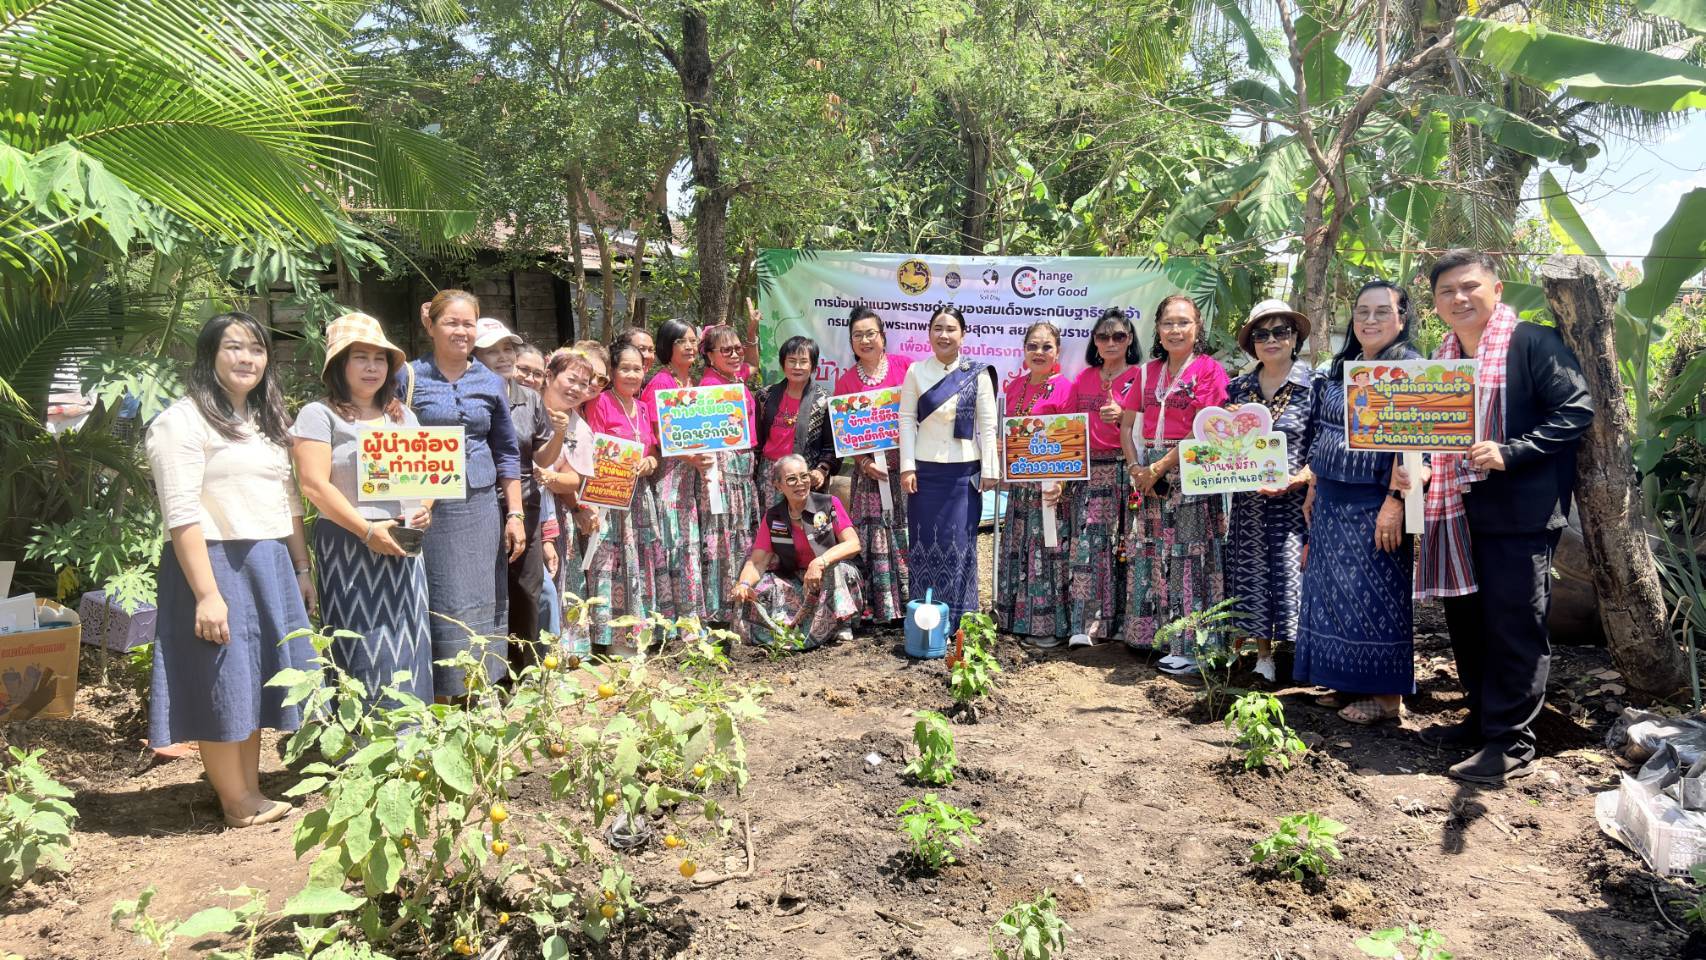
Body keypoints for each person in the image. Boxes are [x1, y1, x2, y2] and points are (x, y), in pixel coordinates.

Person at [1417, 250, 1593, 784]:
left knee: (1515, 624)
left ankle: (1512, 742)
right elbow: (1425, 431)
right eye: (1447, 291)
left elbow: (1576, 410)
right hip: (1455, 510)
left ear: (1496, 290)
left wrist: (1511, 451)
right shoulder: (1442, 360)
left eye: (1470, 286)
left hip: (1521, 513)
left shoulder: (1532, 343)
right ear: (1436, 303)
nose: (1459, 298)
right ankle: (1482, 719)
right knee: (1468, 622)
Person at [144, 312, 317, 828]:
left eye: (257, 349)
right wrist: (206, 593)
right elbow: (181, 514)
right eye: (234, 347)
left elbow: (289, 501)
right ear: (210, 356)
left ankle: (250, 788)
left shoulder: (265, 422)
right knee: (221, 676)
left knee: (255, 675)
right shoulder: (181, 422)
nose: (247, 359)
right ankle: (235, 800)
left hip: (268, 561)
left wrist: (301, 567)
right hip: (213, 562)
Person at [1293, 281, 1423, 724]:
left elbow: (1414, 446)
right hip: (1331, 498)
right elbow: (1323, 431)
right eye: (1362, 311)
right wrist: (1314, 485)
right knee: (1334, 594)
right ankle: (1347, 682)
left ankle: (1385, 699)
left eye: (1382, 311)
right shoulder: (1344, 365)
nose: (1370, 320)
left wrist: (1394, 502)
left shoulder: (1409, 369)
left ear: (1402, 318)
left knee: (1374, 596)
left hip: (1374, 501)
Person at [291, 313, 433, 710]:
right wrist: (367, 531)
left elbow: (427, 475)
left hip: (403, 541)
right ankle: (359, 735)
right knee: (359, 640)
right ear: (339, 364)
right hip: (348, 543)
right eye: (361, 358)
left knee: (409, 635)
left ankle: (411, 731)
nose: (372, 367)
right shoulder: (319, 414)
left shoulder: (402, 415)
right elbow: (314, 485)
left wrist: (424, 508)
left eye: (379, 358)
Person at [402, 291, 525, 697]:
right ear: (431, 325)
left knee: (482, 594)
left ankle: (480, 687)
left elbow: (506, 452)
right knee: (438, 595)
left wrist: (515, 514)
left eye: (468, 323)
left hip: (480, 505)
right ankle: (438, 691)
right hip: (428, 509)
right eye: (451, 322)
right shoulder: (408, 377)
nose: (461, 331)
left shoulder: (490, 381)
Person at [1119, 295, 1230, 673]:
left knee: (1189, 558)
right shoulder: (1146, 372)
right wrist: (1136, 467)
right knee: (1151, 553)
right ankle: (1154, 637)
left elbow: (1207, 429)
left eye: (1184, 322)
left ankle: (1193, 648)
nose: (1175, 330)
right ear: (1158, 329)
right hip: (1149, 475)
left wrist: (1159, 466)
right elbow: (1127, 425)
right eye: (1168, 323)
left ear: (1198, 327)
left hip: (1192, 474)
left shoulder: (1210, 370)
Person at [1224, 300, 1317, 684]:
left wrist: (1301, 478)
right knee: (1253, 578)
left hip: (1298, 503)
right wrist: (1226, 430)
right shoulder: (1237, 389)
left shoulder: (1315, 386)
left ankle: (1304, 656)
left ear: (1294, 338)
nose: (1272, 340)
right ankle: (1263, 656)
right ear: (1252, 344)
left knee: (1297, 577)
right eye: (1262, 334)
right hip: (1250, 503)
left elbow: (1323, 442)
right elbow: (1222, 448)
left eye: (1281, 332)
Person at [473, 319, 568, 667]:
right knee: (485, 590)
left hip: (525, 506)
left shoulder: (529, 398)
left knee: (527, 589)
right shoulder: (467, 395)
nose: (503, 357)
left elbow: (541, 457)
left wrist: (559, 433)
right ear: (474, 356)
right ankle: (486, 670)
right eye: (492, 351)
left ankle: (524, 670)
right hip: (478, 506)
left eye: (507, 349)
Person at [899, 306, 999, 628]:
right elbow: (906, 420)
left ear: (963, 335)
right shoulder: (916, 371)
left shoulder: (978, 373)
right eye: (938, 328)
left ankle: (960, 622)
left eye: (951, 329)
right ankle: (923, 622)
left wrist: (991, 469)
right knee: (924, 545)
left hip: (963, 474)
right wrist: (907, 466)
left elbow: (988, 425)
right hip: (924, 475)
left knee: (960, 547)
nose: (944, 335)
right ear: (929, 334)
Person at [1061, 307, 1143, 646]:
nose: (1111, 342)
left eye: (1118, 336)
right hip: (1088, 471)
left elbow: (1152, 425)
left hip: (1127, 470)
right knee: (1088, 546)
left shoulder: (1141, 377)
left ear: (1129, 340)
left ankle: (1123, 625)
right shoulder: (1084, 378)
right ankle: (1085, 626)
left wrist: (1123, 415)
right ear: (1095, 342)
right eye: (1103, 336)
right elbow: (1066, 425)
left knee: (1127, 545)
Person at [582, 339, 670, 654]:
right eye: (625, 369)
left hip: (640, 498)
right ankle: (611, 641)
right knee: (610, 563)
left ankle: (641, 633)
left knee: (642, 562)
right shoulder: (601, 403)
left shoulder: (643, 407)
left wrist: (651, 463)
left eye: (638, 369)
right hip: (608, 497)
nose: (633, 375)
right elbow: (591, 450)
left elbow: (653, 450)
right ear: (613, 371)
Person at [832, 306, 912, 627]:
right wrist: (863, 462)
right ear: (851, 342)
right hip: (868, 477)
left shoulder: (906, 368)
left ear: (882, 336)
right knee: (874, 536)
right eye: (858, 335)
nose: (865, 340)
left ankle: (910, 602)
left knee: (906, 532)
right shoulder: (846, 383)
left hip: (905, 472)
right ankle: (878, 608)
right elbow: (844, 435)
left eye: (870, 334)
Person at [732, 455, 864, 648]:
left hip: (832, 575)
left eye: (804, 476)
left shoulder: (828, 504)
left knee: (837, 570)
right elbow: (757, 562)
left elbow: (853, 544)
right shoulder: (774, 517)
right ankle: (788, 629)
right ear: (778, 485)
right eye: (792, 479)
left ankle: (840, 623)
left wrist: (820, 562)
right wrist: (743, 584)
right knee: (759, 587)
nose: (800, 483)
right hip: (797, 580)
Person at [994, 322, 1073, 644]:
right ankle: (1014, 621)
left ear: (1057, 352)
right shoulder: (1015, 387)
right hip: (1019, 487)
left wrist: (1060, 483)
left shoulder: (1066, 389)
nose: (1039, 352)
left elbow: (1072, 441)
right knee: (1018, 549)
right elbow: (1010, 433)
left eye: (1046, 347)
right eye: (1033, 346)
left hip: (1048, 486)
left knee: (1045, 553)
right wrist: (1001, 447)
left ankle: (1047, 627)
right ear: (1024, 350)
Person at [640, 319, 708, 619]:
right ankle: (674, 617)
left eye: (693, 340)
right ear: (668, 346)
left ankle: (690, 614)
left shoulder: (693, 382)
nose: (690, 346)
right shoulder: (661, 383)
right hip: (669, 475)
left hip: (691, 477)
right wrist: (690, 457)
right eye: (682, 341)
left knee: (688, 543)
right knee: (672, 543)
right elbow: (658, 436)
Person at [697, 323, 762, 624]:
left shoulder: (734, 377)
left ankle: (740, 597)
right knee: (723, 534)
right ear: (710, 356)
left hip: (743, 467)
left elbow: (753, 364)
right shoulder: (709, 387)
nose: (735, 355)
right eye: (727, 350)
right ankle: (719, 608)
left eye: (738, 349)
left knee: (740, 532)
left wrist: (752, 333)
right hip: (723, 468)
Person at [754, 335, 838, 506]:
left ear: (813, 366)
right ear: (783, 364)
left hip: (805, 477)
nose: (797, 367)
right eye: (791, 361)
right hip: (769, 477)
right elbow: (757, 441)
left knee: (803, 521)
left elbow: (832, 447)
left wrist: (821, 470)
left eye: (803, 361)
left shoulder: (824, 401)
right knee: (771, 521)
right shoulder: (765, 396)